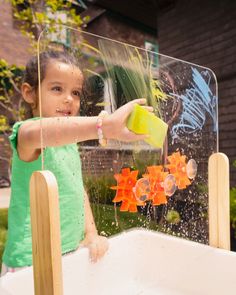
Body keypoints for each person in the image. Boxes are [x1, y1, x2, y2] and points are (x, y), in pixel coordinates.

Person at [1, 50, 151, 276]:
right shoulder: (26, 134)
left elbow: (77, 189)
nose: (69, 99)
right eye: (57, 88)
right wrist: (104, 125)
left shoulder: (69, 144)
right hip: (30, 260)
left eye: (76, 92)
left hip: (69, 252)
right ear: (29, 93)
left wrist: (90, 232)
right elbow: (43, 131)